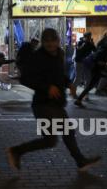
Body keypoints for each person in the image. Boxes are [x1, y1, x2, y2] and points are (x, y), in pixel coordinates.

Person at [6, 28, 101, 171]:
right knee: (62, 134)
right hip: (43, 105)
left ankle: (17, 151)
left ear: (58, 41)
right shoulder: (37, 57)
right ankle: (80, 161)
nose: (50, 45)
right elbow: (25, 78)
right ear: (43, 43)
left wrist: (68, 83)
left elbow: (58, 74)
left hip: (56, 104)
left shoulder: (59, 54)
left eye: (53, 41)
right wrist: (47, 87)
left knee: (51, 140)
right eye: (47, 42)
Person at [74, 40, 107, 107]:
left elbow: (106, 59)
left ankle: (80, 99)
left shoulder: (106, 51)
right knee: (91, 84)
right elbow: (96, 58)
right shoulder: (103, 51)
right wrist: (100, 62)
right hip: (93, 67)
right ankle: (101, 90)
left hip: (96, 68)